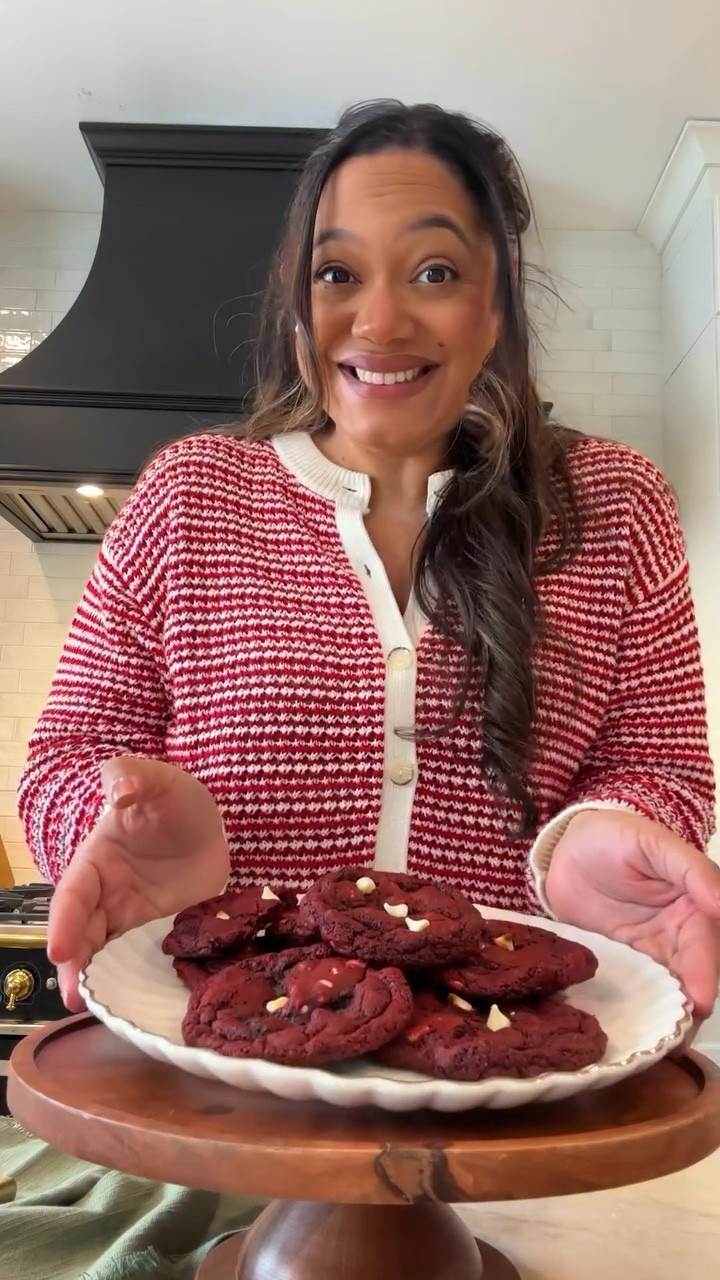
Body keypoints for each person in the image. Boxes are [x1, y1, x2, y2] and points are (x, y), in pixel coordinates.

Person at [18, 100, 719, 1030]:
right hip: (217, 1063)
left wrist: (581, 841)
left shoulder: (615, 504)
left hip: (493, 1089)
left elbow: (660, 766)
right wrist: (112, 823)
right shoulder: (189, 496)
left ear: (496, 300)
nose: (379, 320)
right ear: (298, 305)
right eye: (338, 272)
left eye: (435, 271)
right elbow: (59, 762)